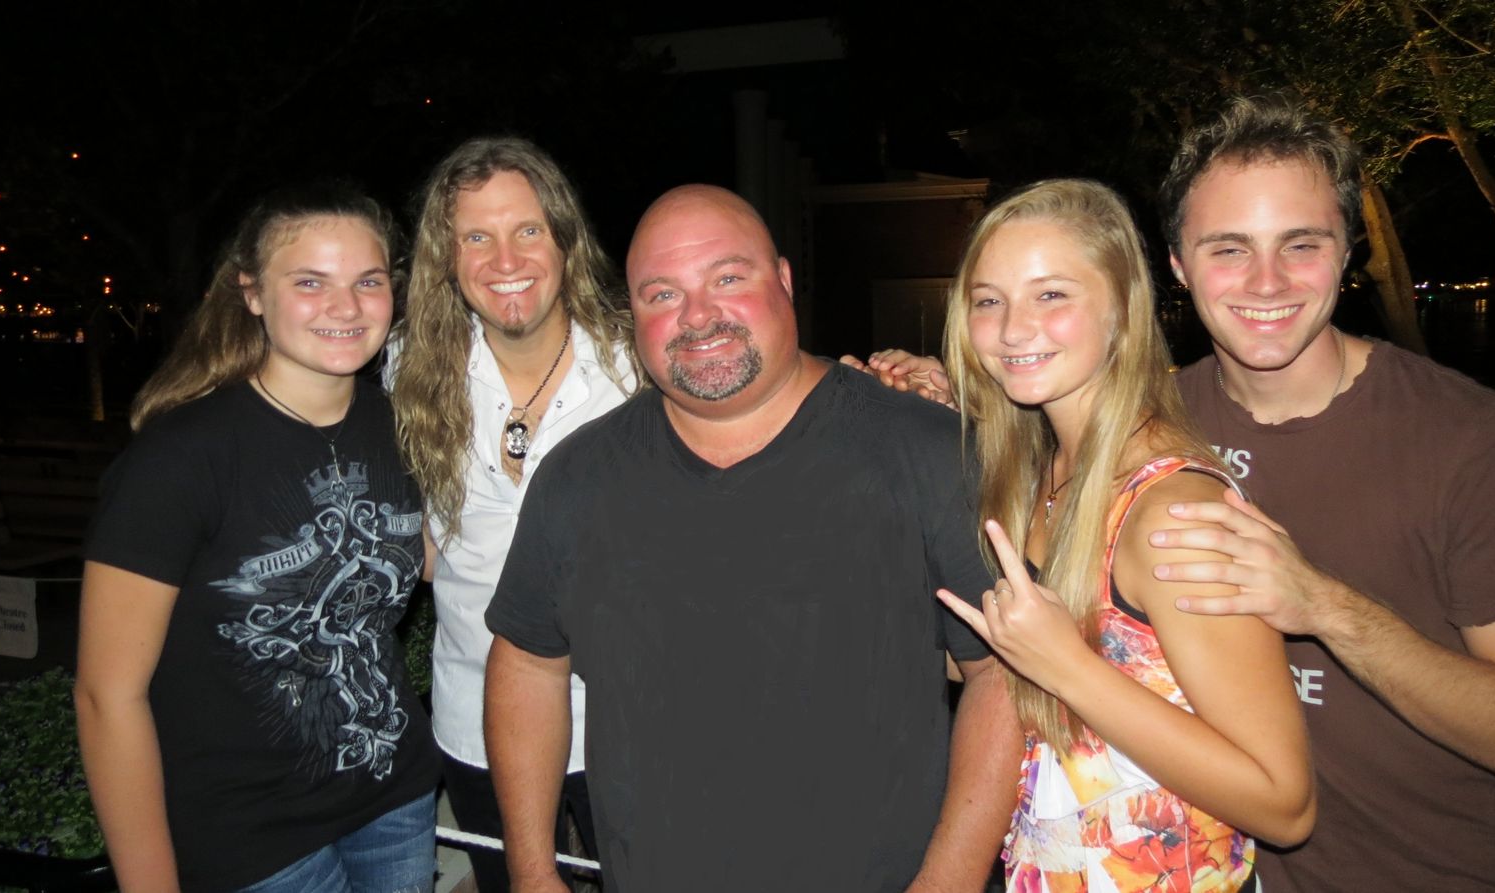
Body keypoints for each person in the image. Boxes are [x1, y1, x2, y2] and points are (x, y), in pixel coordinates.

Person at [482, 184, 1020, 893]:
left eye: (728, 278)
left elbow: (1003, 674)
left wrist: (947, 882)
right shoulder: (577, 479)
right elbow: (527, 664)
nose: (698, 315)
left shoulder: (926, 451)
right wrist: (530, 870)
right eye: (662, 294)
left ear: (785, 281)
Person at [1145, 95, 1495, 891]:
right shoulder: (1149, 426)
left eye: (1302, 244)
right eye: (1229, 248)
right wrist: (933, 394)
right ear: (1179, 265)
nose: (1267, 281)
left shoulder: (1475, 438)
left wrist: (1322, 605)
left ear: (1349, 249)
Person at [931, 179, 1312, 892]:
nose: (1012, 329)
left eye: (1051, 294)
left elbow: (1284, 804)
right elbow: (1012, 673)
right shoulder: (1040, 478)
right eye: (988, 300)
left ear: (1123, 309)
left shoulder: (1171, 511)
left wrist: (1066, 665)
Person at [75, 183, 438, 892]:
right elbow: (106, 697)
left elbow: (440, 562)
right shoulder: (180, 458)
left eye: (368, 281)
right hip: (250, 838)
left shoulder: (402, 427)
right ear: (251, 293)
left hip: (394, 795)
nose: (346, 307)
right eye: (310, 282)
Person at [387, 136, 638, 889]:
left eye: (527, 229)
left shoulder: (637, 365)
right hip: (474, 719)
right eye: (476, 237)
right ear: (446, 257)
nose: (506, 259)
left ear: (565, 238)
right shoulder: (410, 365)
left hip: (631, 721)